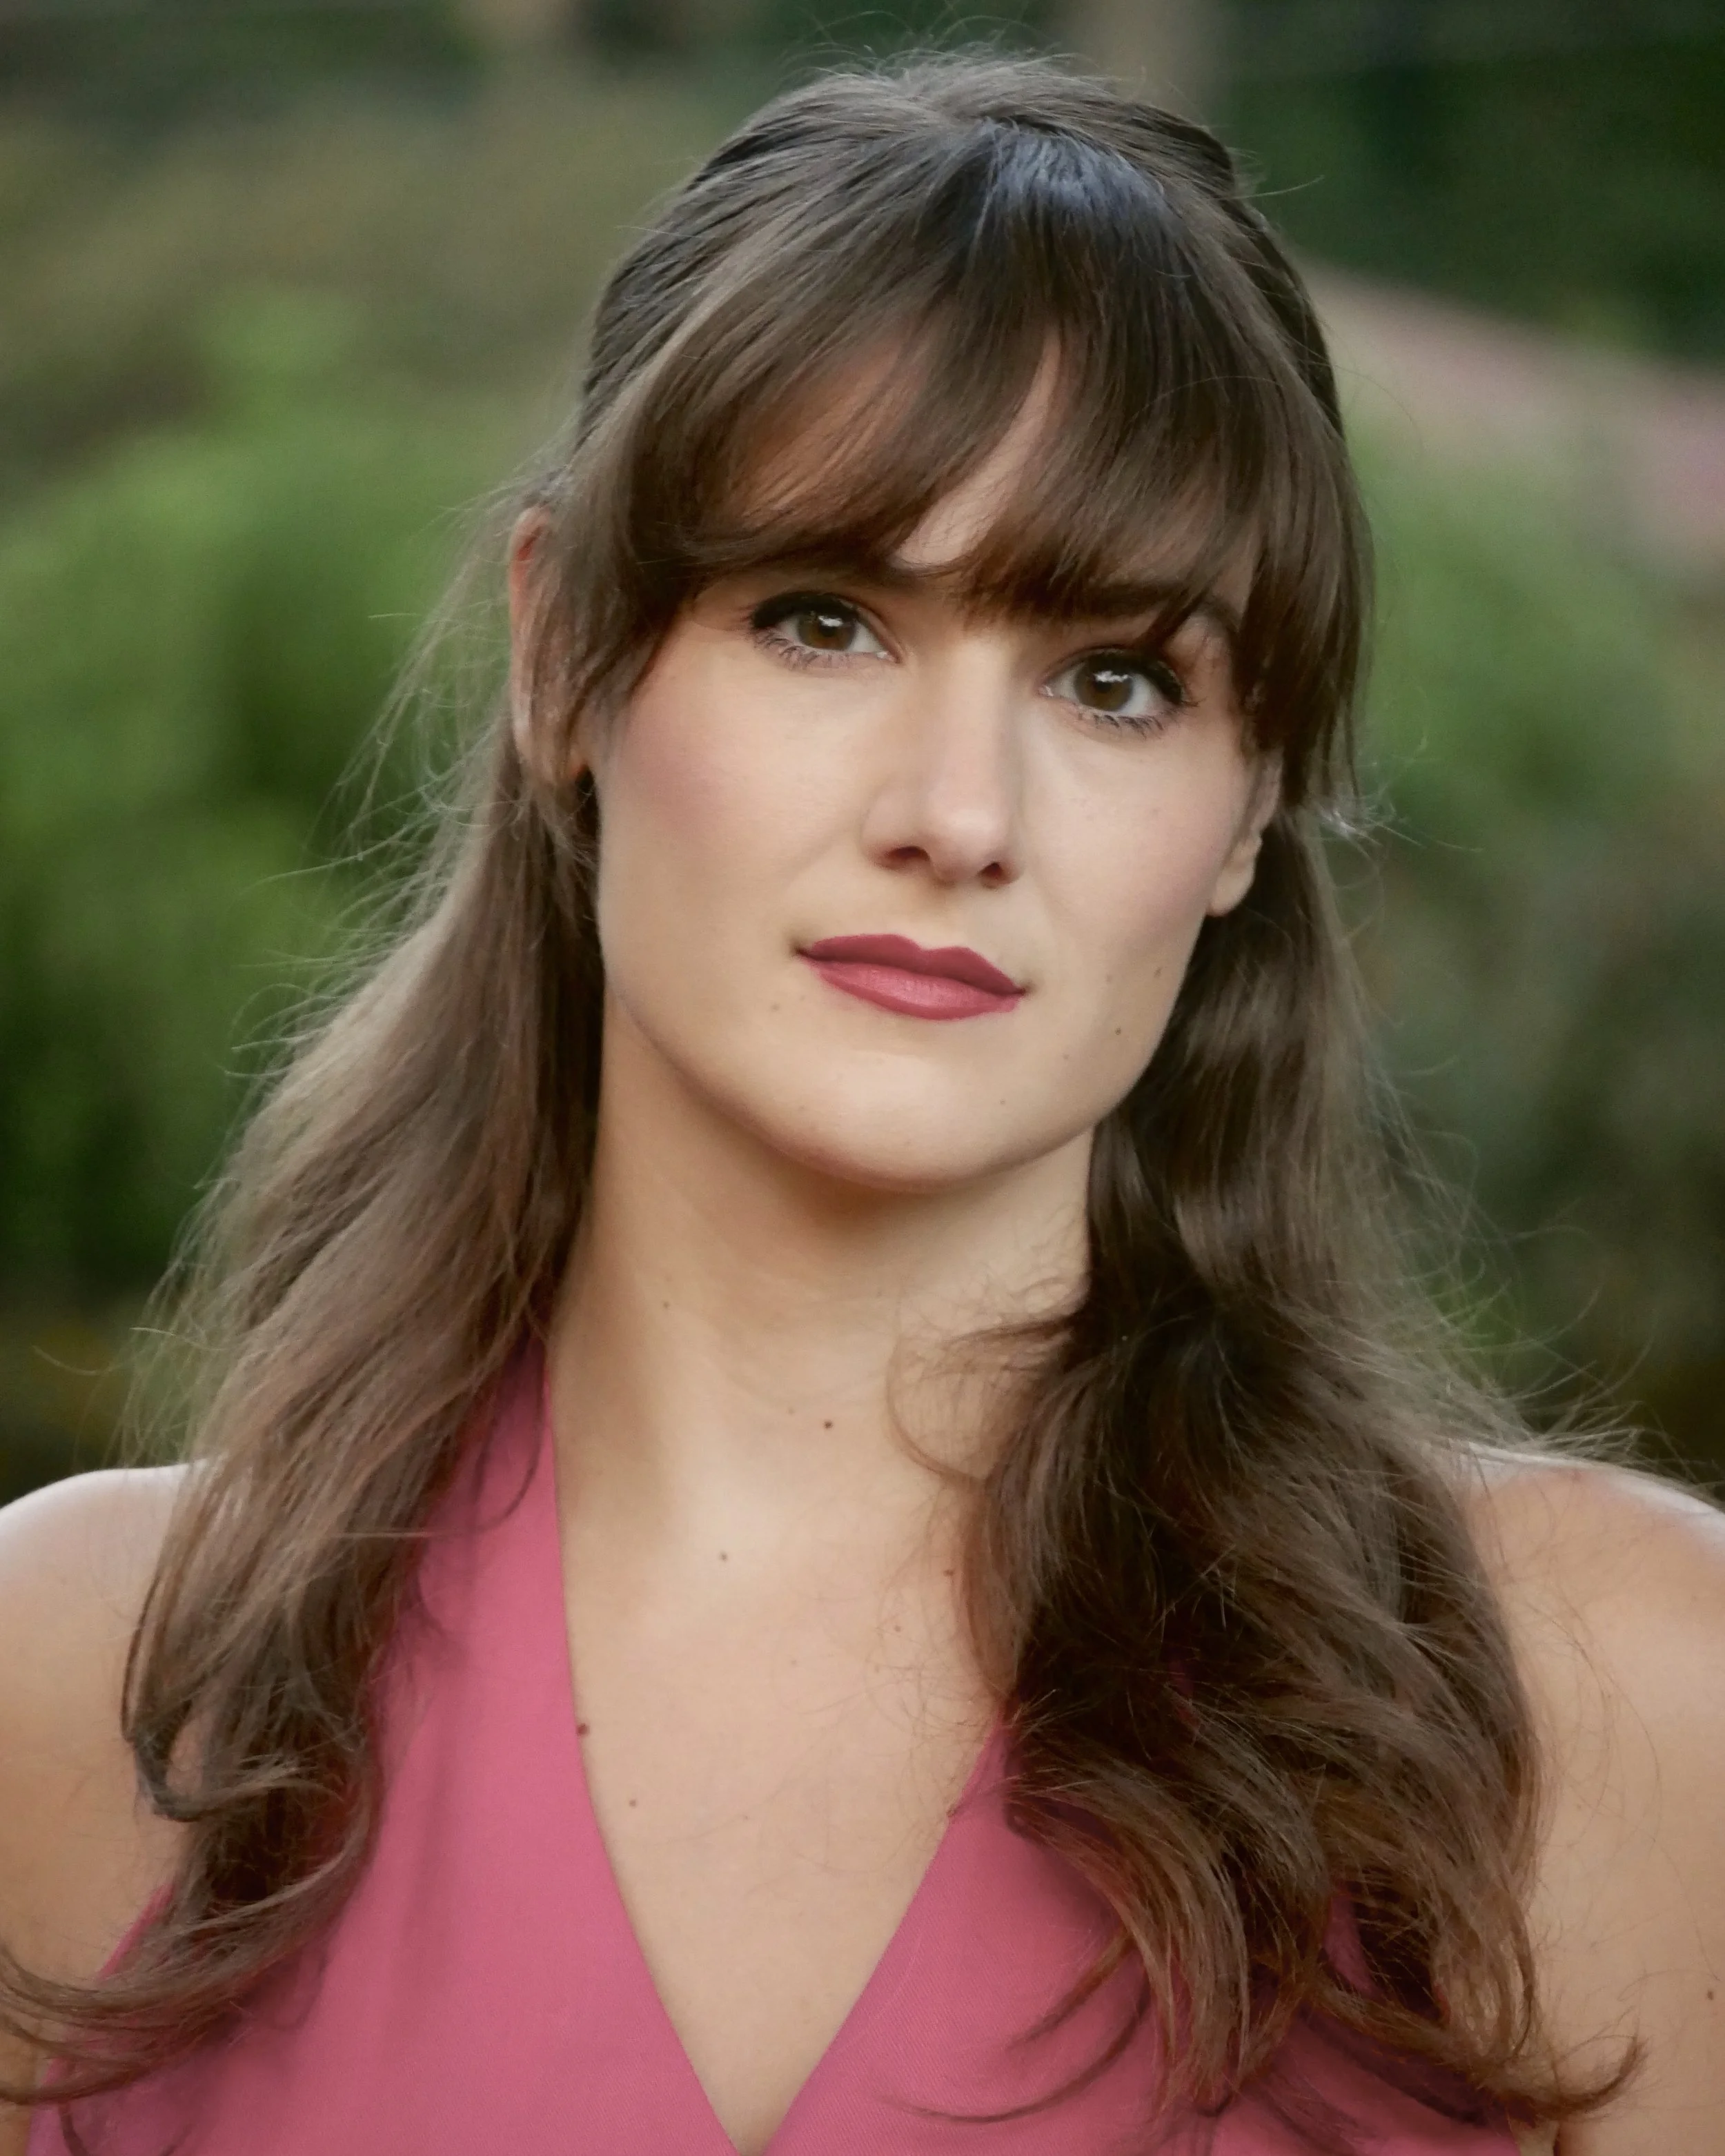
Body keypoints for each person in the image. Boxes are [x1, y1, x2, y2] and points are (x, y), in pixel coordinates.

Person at [1, 51, 1721, 2156]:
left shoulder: (1624, 1706)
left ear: (1251, 795)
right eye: (823, 620)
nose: (958, 815)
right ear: (562, 660)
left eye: (1117, 679)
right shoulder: (73, 1688)